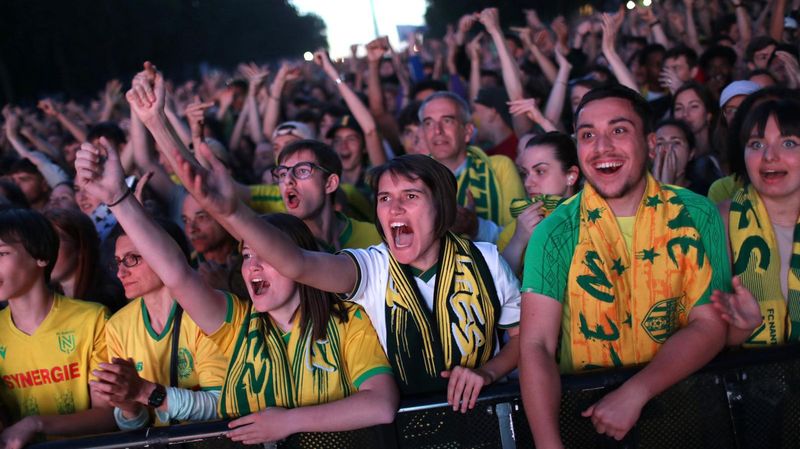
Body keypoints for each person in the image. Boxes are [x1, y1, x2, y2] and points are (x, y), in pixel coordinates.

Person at [168, 126, 521, 410]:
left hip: (487, 418)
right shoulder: (372, 267)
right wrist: (231, 213)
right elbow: (297, 263)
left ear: (441, 206)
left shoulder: (486, 260)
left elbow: (523, 337)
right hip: (406, 430)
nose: (394, 209)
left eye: (410, 196)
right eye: (384, 199)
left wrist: (489, 372)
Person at [74, 137, 398, 444]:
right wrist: (118, 197)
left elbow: (380, 404)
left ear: (294, 259)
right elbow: (176, 274)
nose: (252, 267)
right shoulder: (240, 326)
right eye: (245, 256)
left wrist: (288, 422)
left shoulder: (347, 320)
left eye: (266, 256)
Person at [519, 85, 730, 445]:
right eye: (588, 135)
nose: (602, 147)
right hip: (588, 422)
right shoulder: (555, 231)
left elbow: (710, 324)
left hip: (685, 418)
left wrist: (636, 392)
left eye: (618, 130)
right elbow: (536, 345)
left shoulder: (696, 214)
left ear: (649, 144)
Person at [0, 208, 116, 448]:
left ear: (41, 256)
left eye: (2, 253)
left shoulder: (92, 319)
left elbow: (108, 416)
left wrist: (35, 424)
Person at [712, 98, 800, 347]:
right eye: (757, 144)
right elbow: (702, 340)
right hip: (752, 379)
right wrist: (742, 328)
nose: (769, 156)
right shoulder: (721, 220)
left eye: (789, 143)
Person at [418, 91, 526, 243]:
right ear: (422, 133)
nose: (437, 131)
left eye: (447, 121)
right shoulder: (413, 178)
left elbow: (520, 232)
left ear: (468, 131)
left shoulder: (500, 167)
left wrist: (476, 227)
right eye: (429, 123)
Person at [274, 139, 380, 252]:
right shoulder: (277, 244)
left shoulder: (375, 238)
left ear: (330, 183)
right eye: (282, 174)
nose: (287, 180)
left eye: (302, 171)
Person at [499, 132, 580, 275]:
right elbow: (496, 286)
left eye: (540, 171)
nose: (528, 183)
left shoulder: (595, 217)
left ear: (571, 175)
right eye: (525, 173)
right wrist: (518, 240)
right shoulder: (515, 229)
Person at [44, 208, 126, 313]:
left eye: (53, 242)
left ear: (80, 247)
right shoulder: (46, 299)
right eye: (42, 243)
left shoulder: (107, 301)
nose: (45, 252)